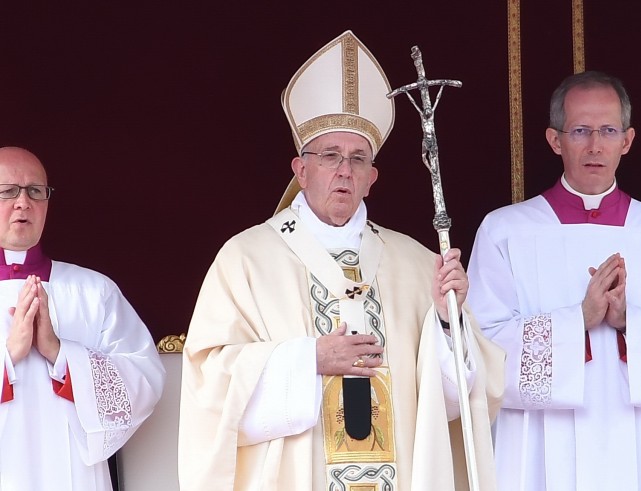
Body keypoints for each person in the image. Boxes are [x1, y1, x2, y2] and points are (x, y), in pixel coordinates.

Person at [178, 30, 504, 491]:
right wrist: (307, 359)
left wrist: (448, 322)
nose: (344, 170)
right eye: (330, 156)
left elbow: (455, 406)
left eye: (357, 159)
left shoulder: (416, 263)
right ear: (300, 168)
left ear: (373, 177)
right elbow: (209, 388)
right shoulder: (245, 259)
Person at [466, 71, 641, 491]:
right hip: (538, 446)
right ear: (555, 140)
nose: (595, 145)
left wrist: (632, 323)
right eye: (580, 130)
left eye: (608, 130)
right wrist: (578, 320)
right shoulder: (505, 232)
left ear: (626, 140)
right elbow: (479, 347)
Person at [0, 146, 165, 490]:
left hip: (71, 473)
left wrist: (61, 353)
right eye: (8, 191)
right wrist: (9, 357)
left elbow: (145, 380)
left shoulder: (94, 291)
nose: (22, 202)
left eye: (35, 191)